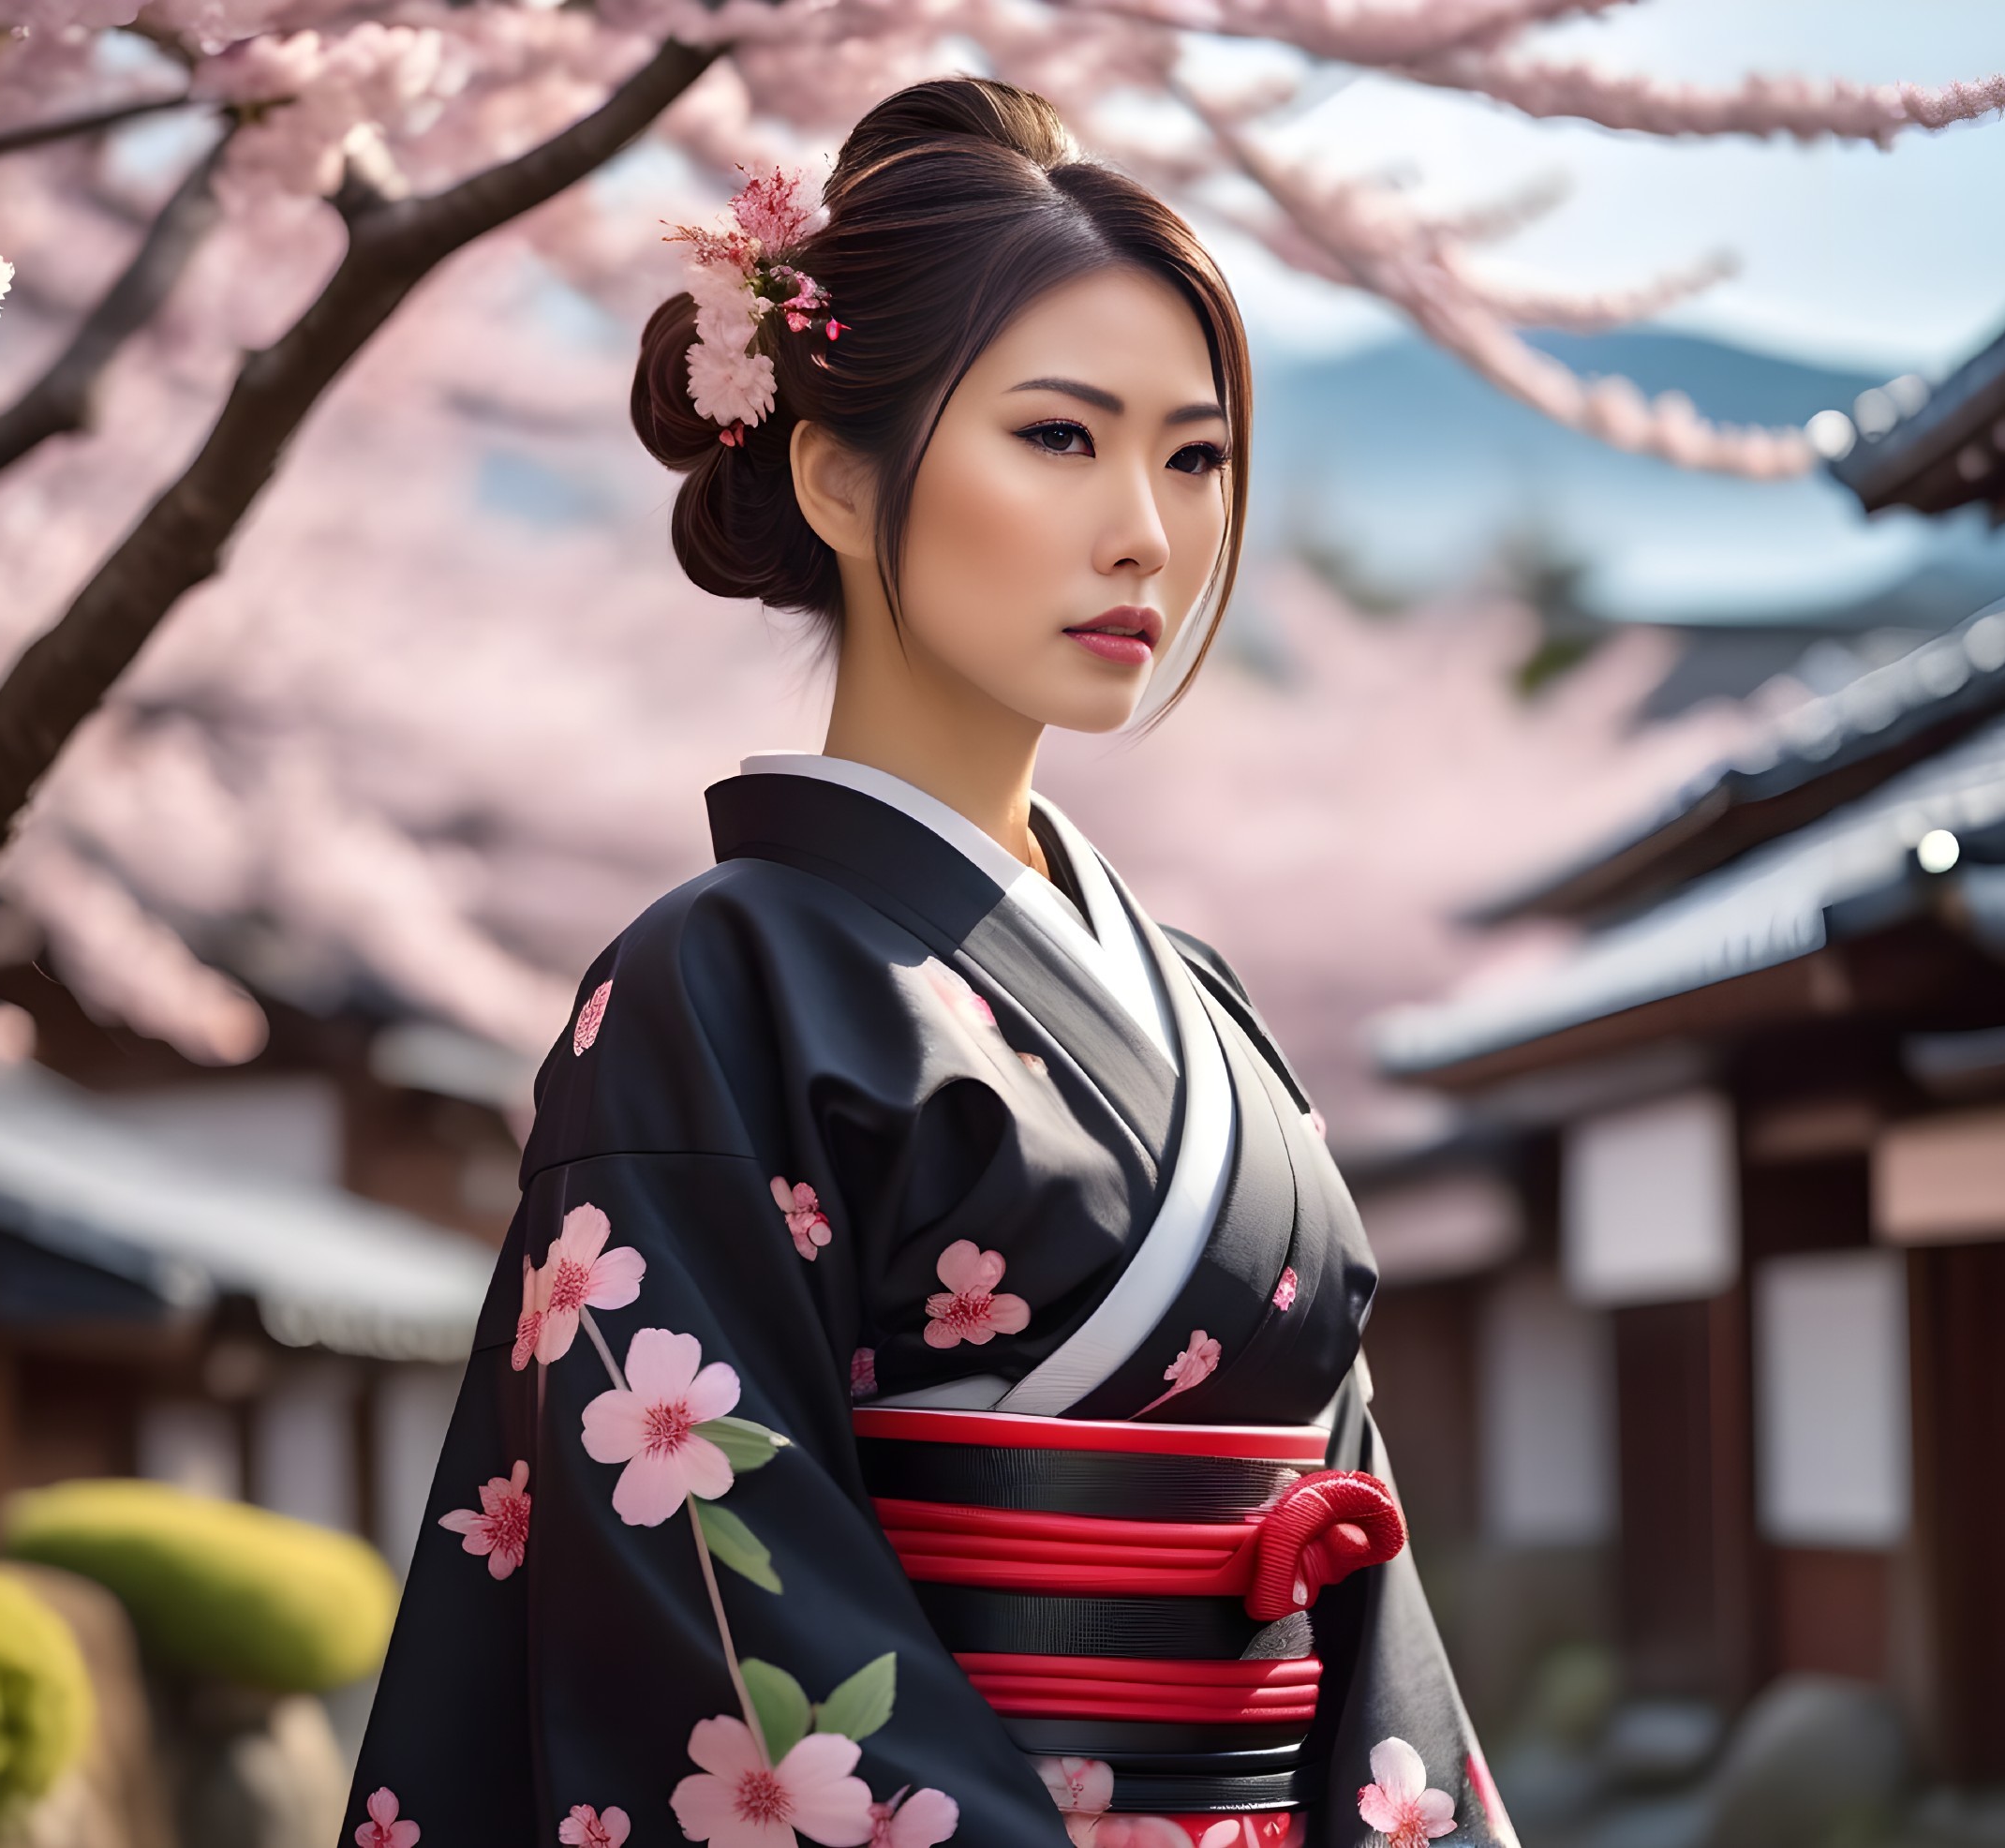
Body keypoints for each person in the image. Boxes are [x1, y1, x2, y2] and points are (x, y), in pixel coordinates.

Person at [343, 75, 1510, 1848]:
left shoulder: (1204, 1003)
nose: (1148, 530)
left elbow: (1346, 1548)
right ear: (831, 469)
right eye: (1059, 437)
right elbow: (719, 1606)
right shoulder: (709, 987)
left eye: (1194, 458)